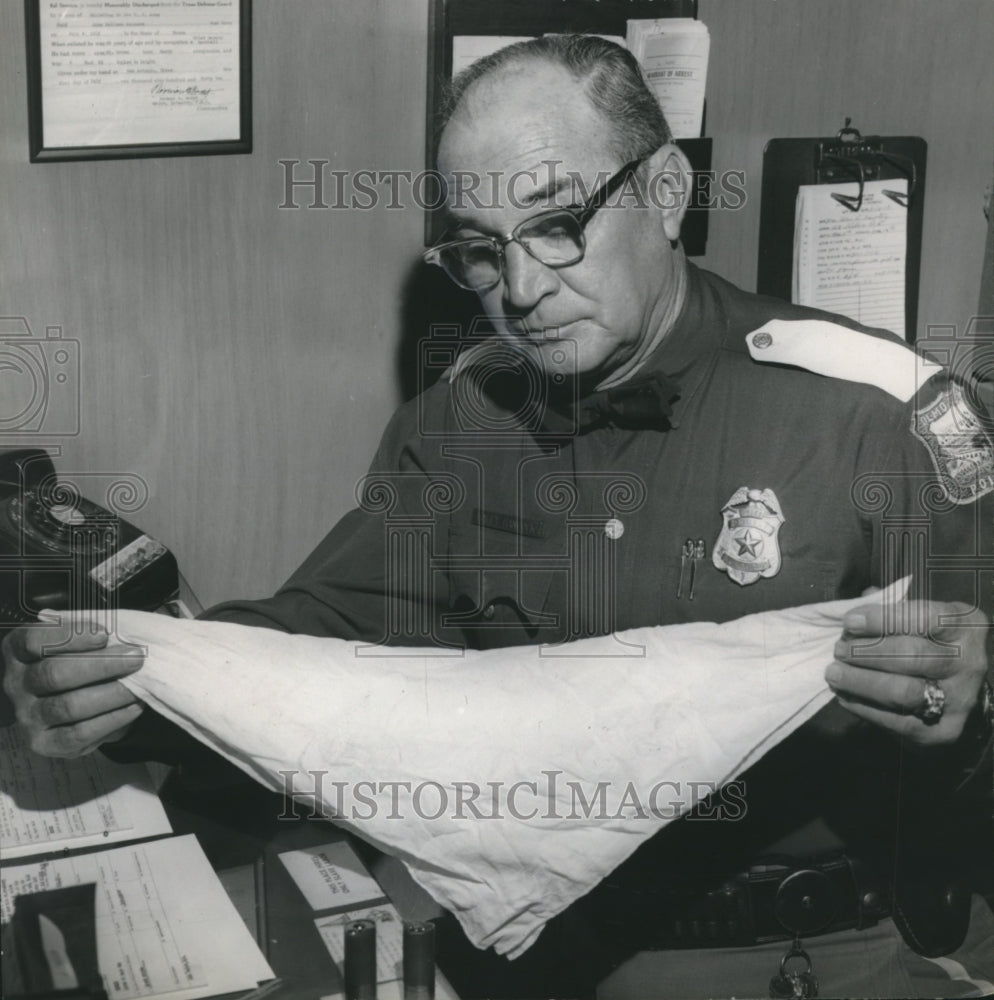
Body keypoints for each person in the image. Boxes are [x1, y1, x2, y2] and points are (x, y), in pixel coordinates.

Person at [3, 35, 993, 1000]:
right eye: (480, 252)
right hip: (509, 950)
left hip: (780, 953)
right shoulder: (459, 423)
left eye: (558, 221)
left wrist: (966, 713)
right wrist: (140, 684)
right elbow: (332, 635)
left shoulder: (875, 417)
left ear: (665, 195)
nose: (520, 291)